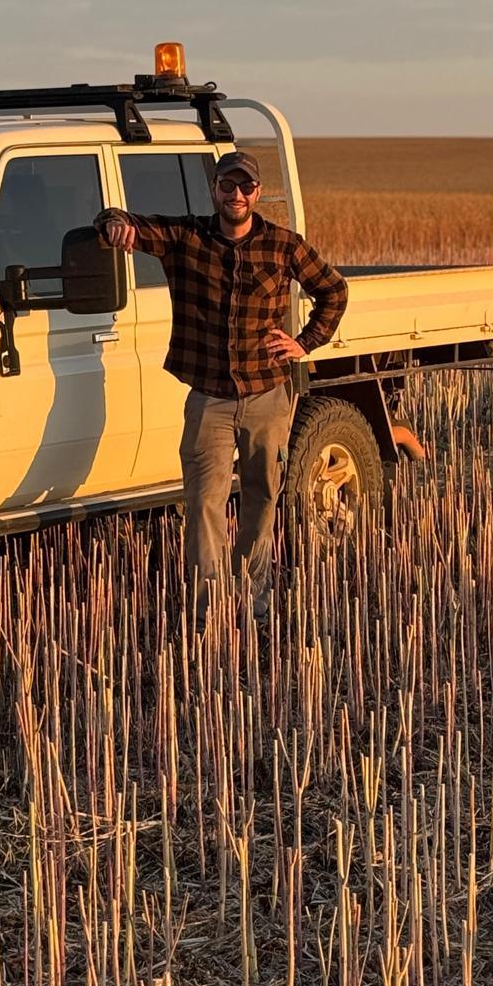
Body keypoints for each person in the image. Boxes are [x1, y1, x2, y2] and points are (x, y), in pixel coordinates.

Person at [94, 149, 348, 628]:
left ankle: (252, 596)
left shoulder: (283, 245)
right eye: (227, 185)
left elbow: (334, 291)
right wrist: (113, 223)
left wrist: (304, 342)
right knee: (202, 502)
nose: (237, 195)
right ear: (214, 189)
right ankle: (209, 610)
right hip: (209, 397)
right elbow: (122, 221)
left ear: (257, 192)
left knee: (262, 496)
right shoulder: (187, 237)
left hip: (267, 394)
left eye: (245, 186)